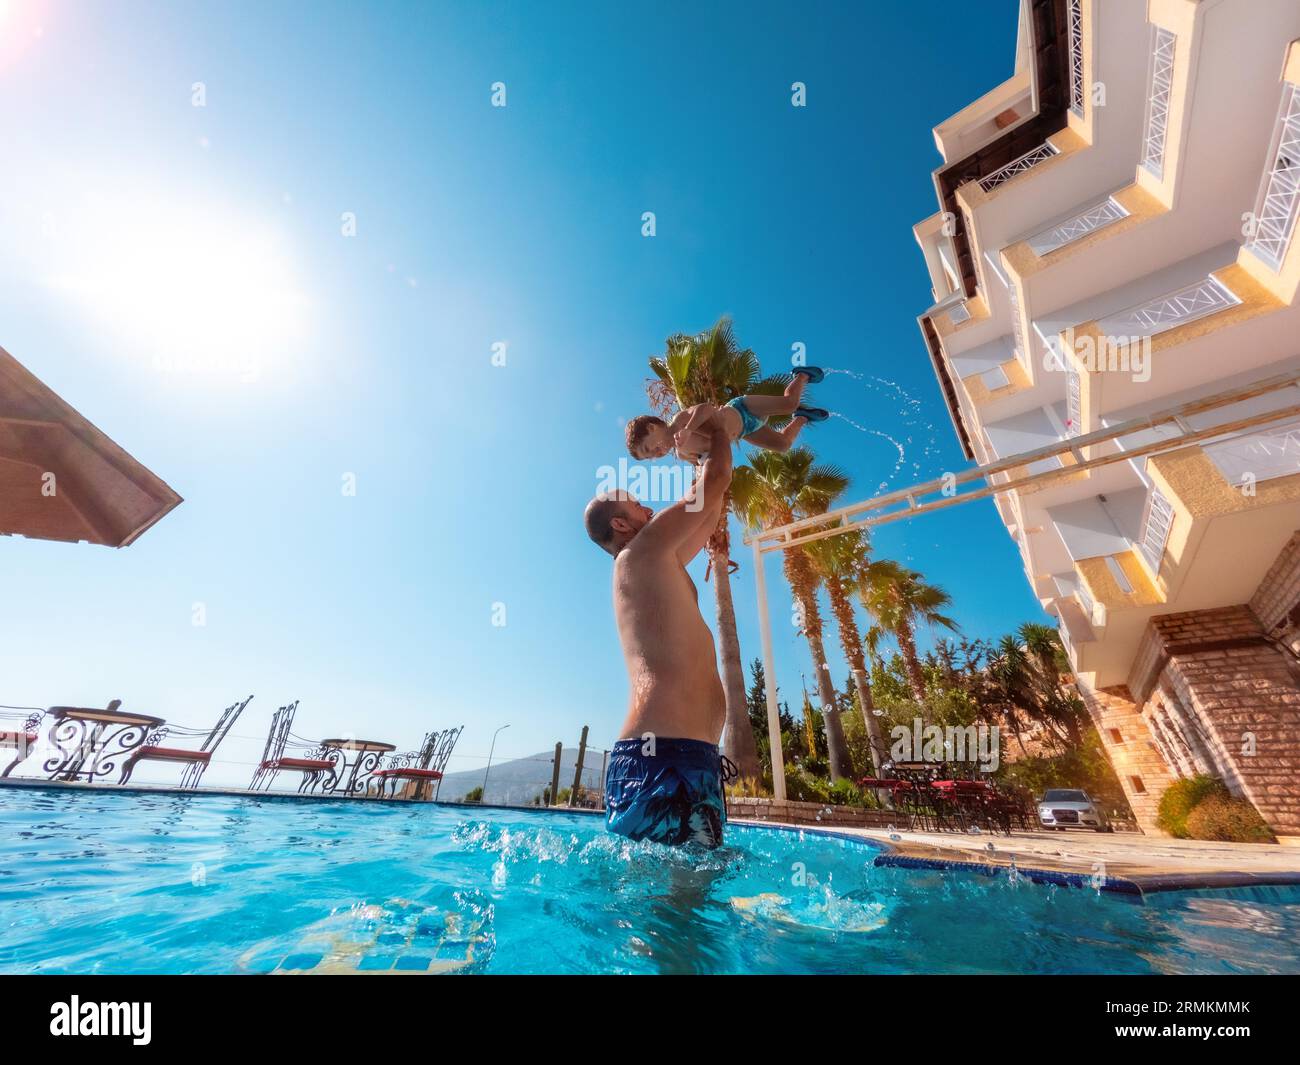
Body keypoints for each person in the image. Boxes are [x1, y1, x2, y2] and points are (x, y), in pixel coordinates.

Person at [583, 418, 739, 847]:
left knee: (676, 905)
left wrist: (705, 458)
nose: (650, 511)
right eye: (638, 506)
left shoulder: (653, 560)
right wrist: (721, 427)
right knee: (673, 906)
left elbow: (709, 507)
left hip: (683, 755)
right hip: (665, 756)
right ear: (620, 524)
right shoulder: (642, 550)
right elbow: (714, 484)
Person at [624, 366, 829, 463]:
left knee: (789, 404)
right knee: (783, 445)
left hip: (742, 409)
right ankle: (802, 417)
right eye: (650, 456)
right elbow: (702, 464)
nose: (656, 453)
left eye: (649, 447)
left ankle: (802, 376)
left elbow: (705, 408)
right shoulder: (681, 453)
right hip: (745, 432)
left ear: (652, 428)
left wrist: (688, 429)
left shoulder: (679, 422)